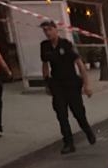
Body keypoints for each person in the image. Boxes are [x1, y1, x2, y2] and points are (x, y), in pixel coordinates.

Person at [39, 19, 94, 154]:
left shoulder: (66, 45)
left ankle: (87, 130)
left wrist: (86, 85)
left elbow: (80, 65)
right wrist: (46, 83)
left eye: (50, 29)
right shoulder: (44, 46)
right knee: (61, 114)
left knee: (78, 112)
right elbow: (45, 65)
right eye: (45, 30)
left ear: (56, 30)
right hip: (57, 84)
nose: (47, 33)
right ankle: (68, 143)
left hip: (71, 83)